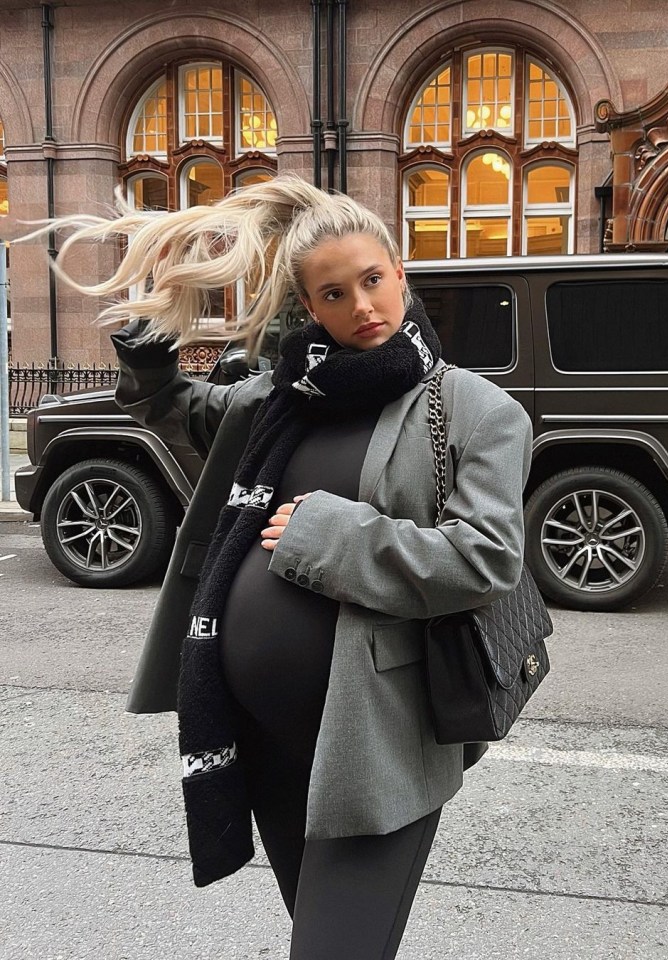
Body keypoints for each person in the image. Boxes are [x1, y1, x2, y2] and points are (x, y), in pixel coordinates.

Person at [40, 176, 532, 959]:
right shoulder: (280, 398)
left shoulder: (474, 410)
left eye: (373, 280)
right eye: (334, 293)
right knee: (318, 931)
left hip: (375, 748)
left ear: (400, 272)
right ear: (311, 305)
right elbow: (174, 406)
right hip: (267, 739)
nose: (362, 305)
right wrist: (146, 336)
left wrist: (325, 534)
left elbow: (485, 558)